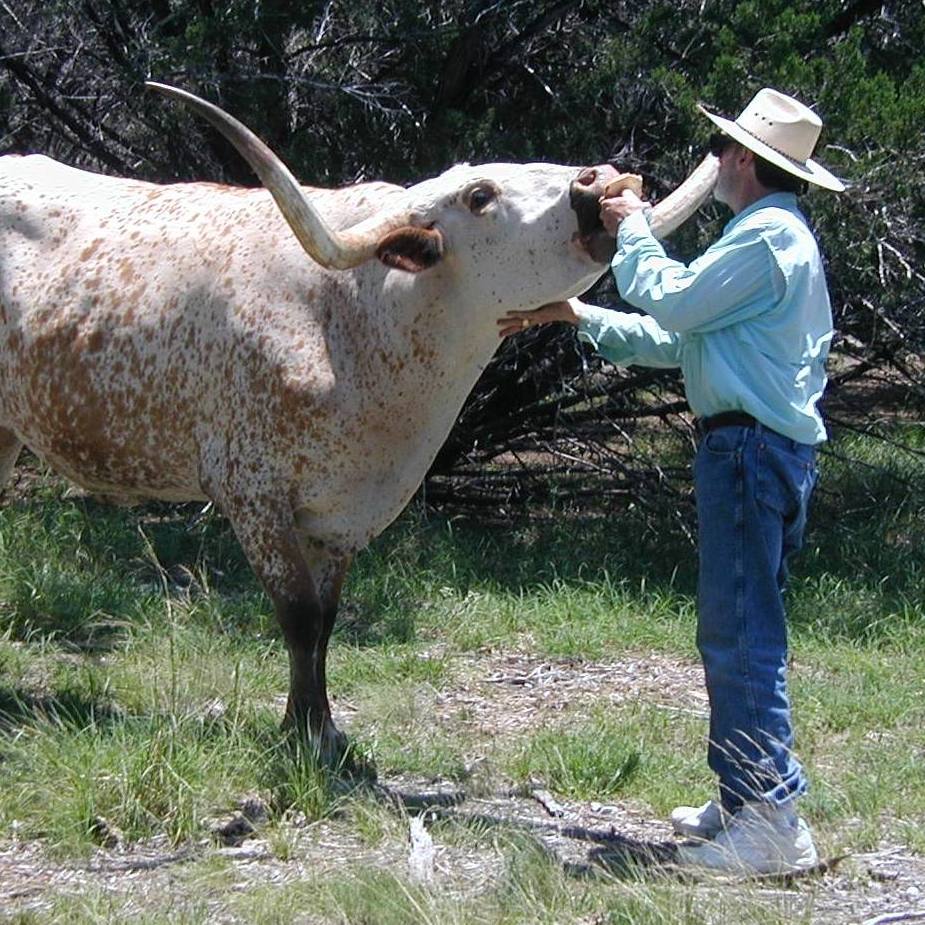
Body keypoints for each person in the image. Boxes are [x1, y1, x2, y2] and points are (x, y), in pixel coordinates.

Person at [498, 88, 845, 875]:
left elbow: (670, 299)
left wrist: (633, 231)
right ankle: (745, 793)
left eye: (724, 150)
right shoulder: (768, 237)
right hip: (759, 452)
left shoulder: (762, 241)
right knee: (739, 629)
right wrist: (577, 317)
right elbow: (674, 337)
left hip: (749, 454)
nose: (716, 160)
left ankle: (770, 822)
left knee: (741, 634)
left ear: (746, 162)